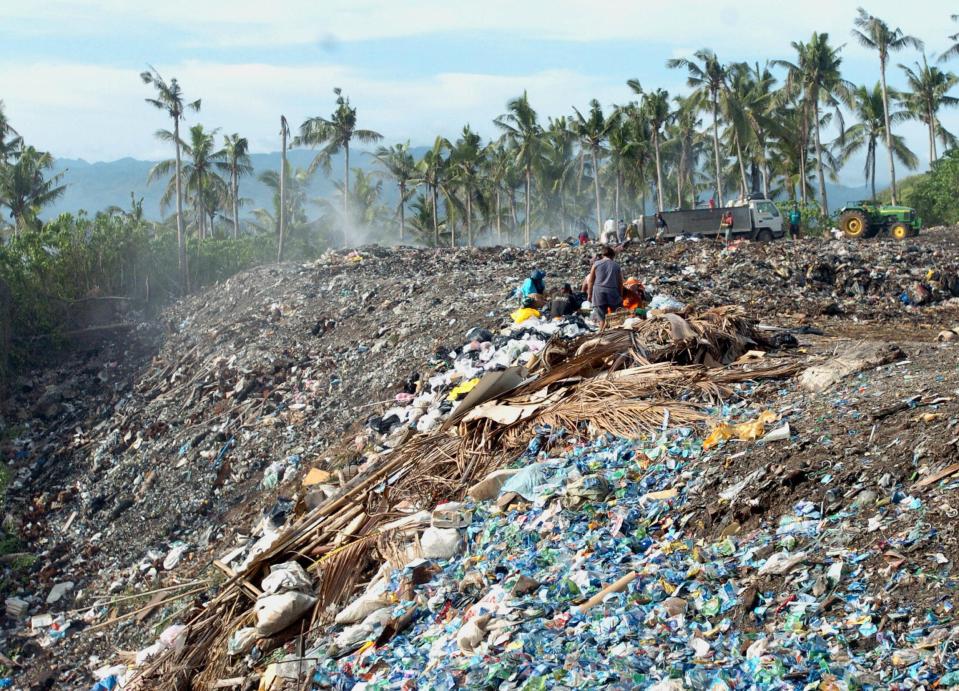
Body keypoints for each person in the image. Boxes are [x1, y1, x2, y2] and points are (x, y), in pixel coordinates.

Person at [585, 245, 623, 328]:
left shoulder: (596, 264)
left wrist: (589, 294)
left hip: (598, 293)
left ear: (602, 255)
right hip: (612, 292)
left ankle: (601, 336)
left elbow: (591, 281)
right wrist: (620, 295)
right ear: (613, 256)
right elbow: (620, 283)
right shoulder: (616, 265)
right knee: (615, 318)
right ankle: (615, 336)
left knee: (602, 320)